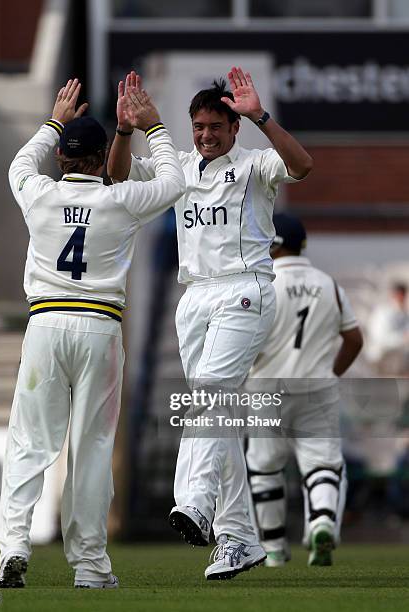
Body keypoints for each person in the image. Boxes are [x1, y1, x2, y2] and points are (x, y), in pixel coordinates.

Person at [108, 67, 313, 579]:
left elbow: (303, 166)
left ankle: (194, 501)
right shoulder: (178, 167)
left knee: (212, 397)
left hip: (245, 289)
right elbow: (115, 176)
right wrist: (125, 129)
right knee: (218, 417)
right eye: (198, 126)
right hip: (194, 297)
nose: (205, 135)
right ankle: (240, 539)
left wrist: (262, 116)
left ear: (233, 128)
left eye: (215, 127)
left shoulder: (254, 165)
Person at [0, 78, 185, 589]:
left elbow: (19, 164)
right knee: (93, 447)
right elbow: (172, 183)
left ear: (60, 156)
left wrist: (53, 120)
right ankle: (89, 566)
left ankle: (15, 545)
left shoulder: (38, 193)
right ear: (103, 157)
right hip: (99, 329)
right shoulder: (120, 201)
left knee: (30, 443)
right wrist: (153, 127)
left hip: (46, 327)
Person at [242, 213, 363, 566]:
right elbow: (354, 340)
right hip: (316, 387)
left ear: (274, 243)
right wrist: (332, 372)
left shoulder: (260, 284)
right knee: (322, 465)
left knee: (265, 469)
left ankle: (275, 550)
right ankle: (322, 521)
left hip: (266, 387)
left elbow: (245, 342)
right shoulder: (330, 285)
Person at [365, 282, 409, 376]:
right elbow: (379, 339)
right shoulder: (382, 313)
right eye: (400, 296)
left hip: (399, 362)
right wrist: (402, 338)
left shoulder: (404, 315)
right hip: (381, 360)